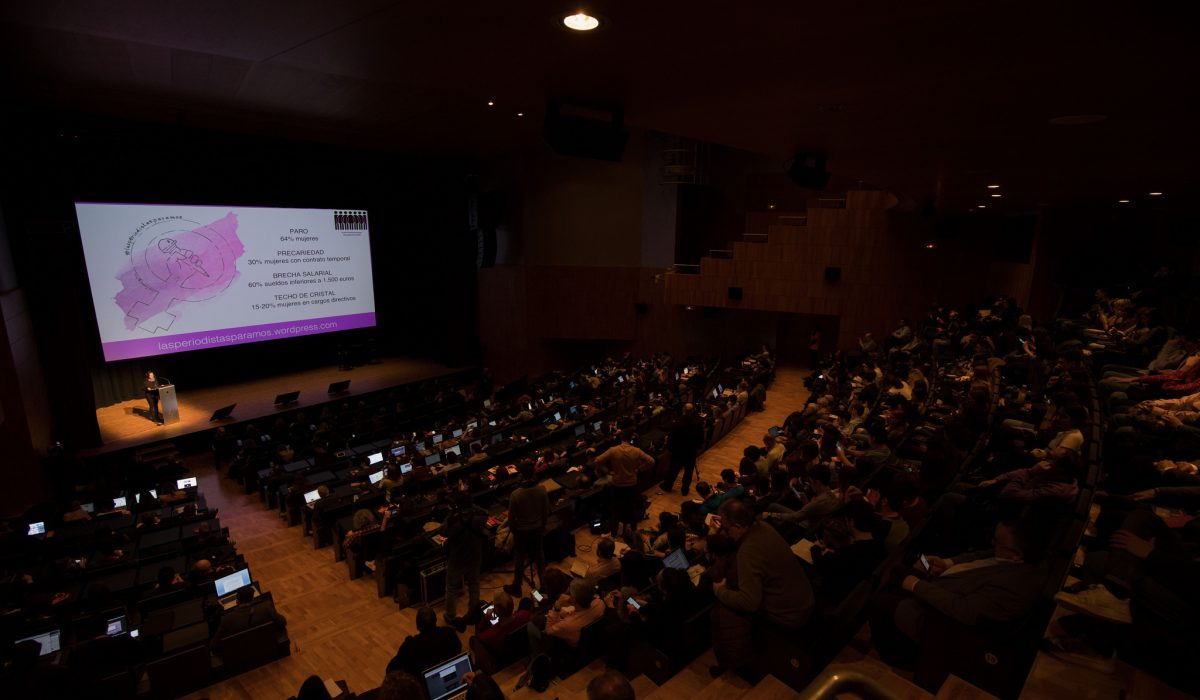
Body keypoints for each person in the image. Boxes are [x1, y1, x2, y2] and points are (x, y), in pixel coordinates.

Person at [868, 518, 1044, 669]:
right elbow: (981, 556)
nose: (992, 543)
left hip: (939, 618)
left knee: (877, 601)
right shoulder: (1007, 555)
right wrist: (947, 563)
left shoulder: (1014, 585)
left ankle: (899, 656)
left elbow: (963, 610)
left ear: (1017, 555)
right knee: (898, 571)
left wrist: (916, 586)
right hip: (944, 582)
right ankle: (894, 627)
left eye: (997, 541)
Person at [710, 499, 814, 676]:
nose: (725, 533)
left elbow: (749, 602)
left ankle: (738, 664)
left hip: (789, 616)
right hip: (804, 600)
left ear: (738, 526)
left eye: (726, 529)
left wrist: (720, 591)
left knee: (722, 612)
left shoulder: (748, 551)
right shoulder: (764, 527)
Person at [593, 432, 655, 539]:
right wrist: (639, 469)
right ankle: (634, 531)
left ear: (621, 438)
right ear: (631, 438)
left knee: (616, 510)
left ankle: (613, 534)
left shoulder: (613, 450)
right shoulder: (637, 451)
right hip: (632, 484)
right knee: (631, 508)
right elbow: (651, 461)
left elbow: (597, 461)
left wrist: (607, 471)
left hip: (617, 485)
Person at [443, 492, 488, 631]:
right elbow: (485, 512)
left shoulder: (453, 521)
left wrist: (452, 512)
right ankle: (473, 613)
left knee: (451, 587)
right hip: (475, 556)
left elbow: (444, 531)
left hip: (457, 558)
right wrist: (470, 506)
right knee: (474, 584)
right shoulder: (479, 517)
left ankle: (450, 615)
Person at [505, 461, 549, 597]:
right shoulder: (541, 490)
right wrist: (542, 526)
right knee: (539, 556)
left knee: (519, 558)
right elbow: (545, 512)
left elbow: (511, 519)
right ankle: (544, 585)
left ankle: (517, 586)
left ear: (521, 475)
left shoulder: (515, 494)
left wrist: (515, 531)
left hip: (521, 531)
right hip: (537, 529)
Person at [386, 606, 463, 677]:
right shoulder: (449, 633)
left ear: (417, 626)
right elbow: (458, 648)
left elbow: (391, 669)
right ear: (436, 621)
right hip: (449, 674)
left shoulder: (410, 646)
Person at [212, 585, 288, 651]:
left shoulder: (226, 619)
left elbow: (214, 645)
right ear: (253, 599)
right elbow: (282, 622)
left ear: (237, 601)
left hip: (242, 651)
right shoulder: (266, 607)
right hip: (267, 647)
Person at [662, 403, 705, 496]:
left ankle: (668, 486)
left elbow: (671, 439)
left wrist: (670, 449)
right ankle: (685, 489)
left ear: (683, 410)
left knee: (673, 470)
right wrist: (696, 449)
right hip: (691, 452)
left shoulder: (677, 423)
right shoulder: (698, 424)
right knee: (688, 472)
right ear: (693, 411)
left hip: (678, 452)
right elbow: (701, 440)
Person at [475, 590, 532, 654]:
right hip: (520, 649)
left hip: (503, 656)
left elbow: (478, 638)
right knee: (482, 603)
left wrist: (486, 619)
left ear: (496, 611)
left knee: (472, 640)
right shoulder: (525, 614)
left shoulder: (491, 634)